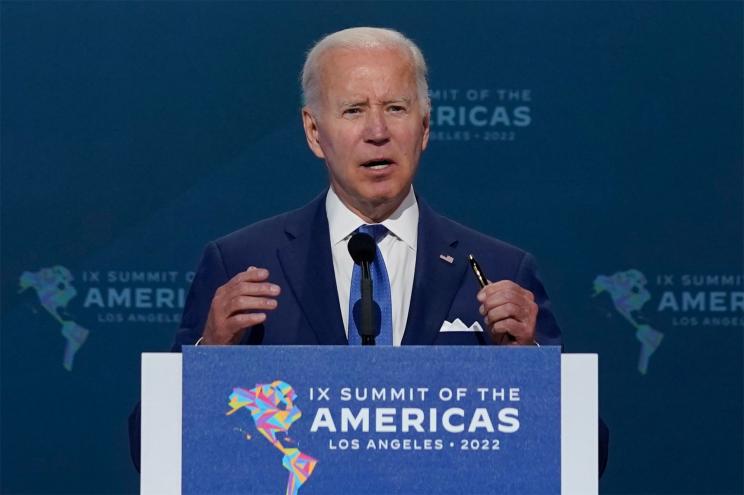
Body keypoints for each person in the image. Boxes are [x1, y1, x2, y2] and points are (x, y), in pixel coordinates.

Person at [129, 26, 608, 476]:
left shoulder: (501, 269)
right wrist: (208, 356)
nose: (377, 131)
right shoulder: (241, 263)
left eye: (396, 109)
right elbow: (150, 449)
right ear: (315, 132)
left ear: (424, 127)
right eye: (353, 110)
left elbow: (588, 455)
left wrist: (529, 363)